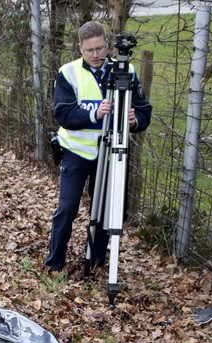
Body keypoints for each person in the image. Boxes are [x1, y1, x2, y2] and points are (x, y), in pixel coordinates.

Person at [45, 21, 152, 275]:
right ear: (80, 48)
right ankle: (55, 262)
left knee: (107, 210)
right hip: (76, 152)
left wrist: (135, 121)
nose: (95, 55)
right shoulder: (68, 73)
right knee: (68, 208)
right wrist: (94, 114)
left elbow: (144, 111)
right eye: (89, 50)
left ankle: (94, 262)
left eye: (100, 48)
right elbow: (63, 114)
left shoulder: (126, 71)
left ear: (107, 44)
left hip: (112, 153)